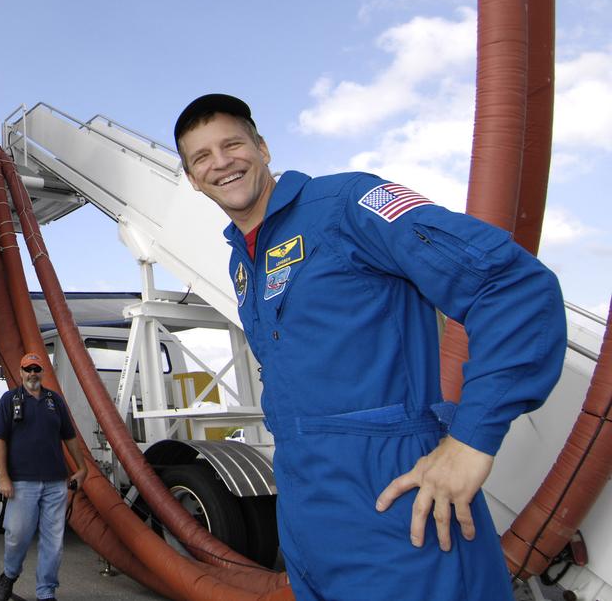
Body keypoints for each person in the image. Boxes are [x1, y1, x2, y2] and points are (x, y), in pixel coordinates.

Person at [172, 92, 567, 601]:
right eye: (201, 156)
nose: (221, 162)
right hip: (307, 513)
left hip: (396, 506)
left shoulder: (347, 205)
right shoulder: (244, 264)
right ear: (190, 177)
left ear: (264, 148)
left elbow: (511, 286)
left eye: (232, 144)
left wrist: (472, 440)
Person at [0, 353, 88, 601]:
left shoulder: (54, 400)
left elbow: (70, 436)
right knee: (17, 535)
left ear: (42, 372)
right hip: (22, 483)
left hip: (55, 483)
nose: (33, 373)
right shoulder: (9, 400)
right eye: (28, 369)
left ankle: (46, 591)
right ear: (21, 372)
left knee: (53, 542)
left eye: (37, 369)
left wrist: (82, 467)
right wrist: (3, 477)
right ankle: (9, 575)